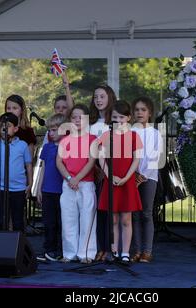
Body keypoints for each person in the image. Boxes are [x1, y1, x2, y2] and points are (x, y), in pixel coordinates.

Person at [98, 101, 143, 263]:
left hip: (127, 181)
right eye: (115, 117)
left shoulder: (133, 136)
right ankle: (114, 250)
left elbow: (136, 159)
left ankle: (125, 252)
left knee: (126, 219)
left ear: (129, 118)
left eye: (121, 117)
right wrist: (110, 176)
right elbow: (101, 157)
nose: (118, 120)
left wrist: (125, 178)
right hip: (112, 181)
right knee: (114, 219)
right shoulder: (106, 135)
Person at [56, 104, 98, 263]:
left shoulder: (92, 139)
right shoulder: (65, 140)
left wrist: (77, 179)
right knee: (68, 219)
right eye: (74, 117)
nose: (77, 120)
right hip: (68, 185)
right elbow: (59, 162)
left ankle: (86, 254)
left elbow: (91, 162)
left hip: (85, 184)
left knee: (87, 220)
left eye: (81, 117)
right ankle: (69, 253)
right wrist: (69, 179)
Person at [0, 112, 33, 232]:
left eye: (8, 125)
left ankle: (19, 247)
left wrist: (30, 184)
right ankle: (3, 246)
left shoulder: (23, 145)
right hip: (2, 189)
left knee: (18, 221)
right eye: (1, 125)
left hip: (19, 189)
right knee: (2, 220)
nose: (4, 128)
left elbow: (28, 165)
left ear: (16, 128)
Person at [131, 97, 164, 263]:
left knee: (146, 213)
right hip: (132, 177)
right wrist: (134, 175)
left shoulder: (155, 133)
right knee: (134, 215)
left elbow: (155, 157)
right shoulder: (129, 132)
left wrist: (143, 175)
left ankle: (147, 251)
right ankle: (136, 250)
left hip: (149, 177)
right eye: (136, 110)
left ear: (149, 113)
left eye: (143, 110)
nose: (139, 113)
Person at [89, 85, 117, 262]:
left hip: (113, 172)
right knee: (98, 212)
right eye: (96, 97)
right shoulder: (90, 124)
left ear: (110, 98)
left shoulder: (114, 123)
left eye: (102, 96)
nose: (98, 100)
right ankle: (100, 247)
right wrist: (96, 169)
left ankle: (111, 248)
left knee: (111, 213)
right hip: (95, 173)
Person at [36, 114, 66, 261]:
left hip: (62, 190)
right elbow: (43, 168)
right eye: (49, 130)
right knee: (48, 222)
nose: (51, 133)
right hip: (47, 190)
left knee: (62, 222)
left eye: (54, 130)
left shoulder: (68, 147)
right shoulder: (47, 147)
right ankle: (49, 249)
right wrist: (38, 188)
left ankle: (61, 250)